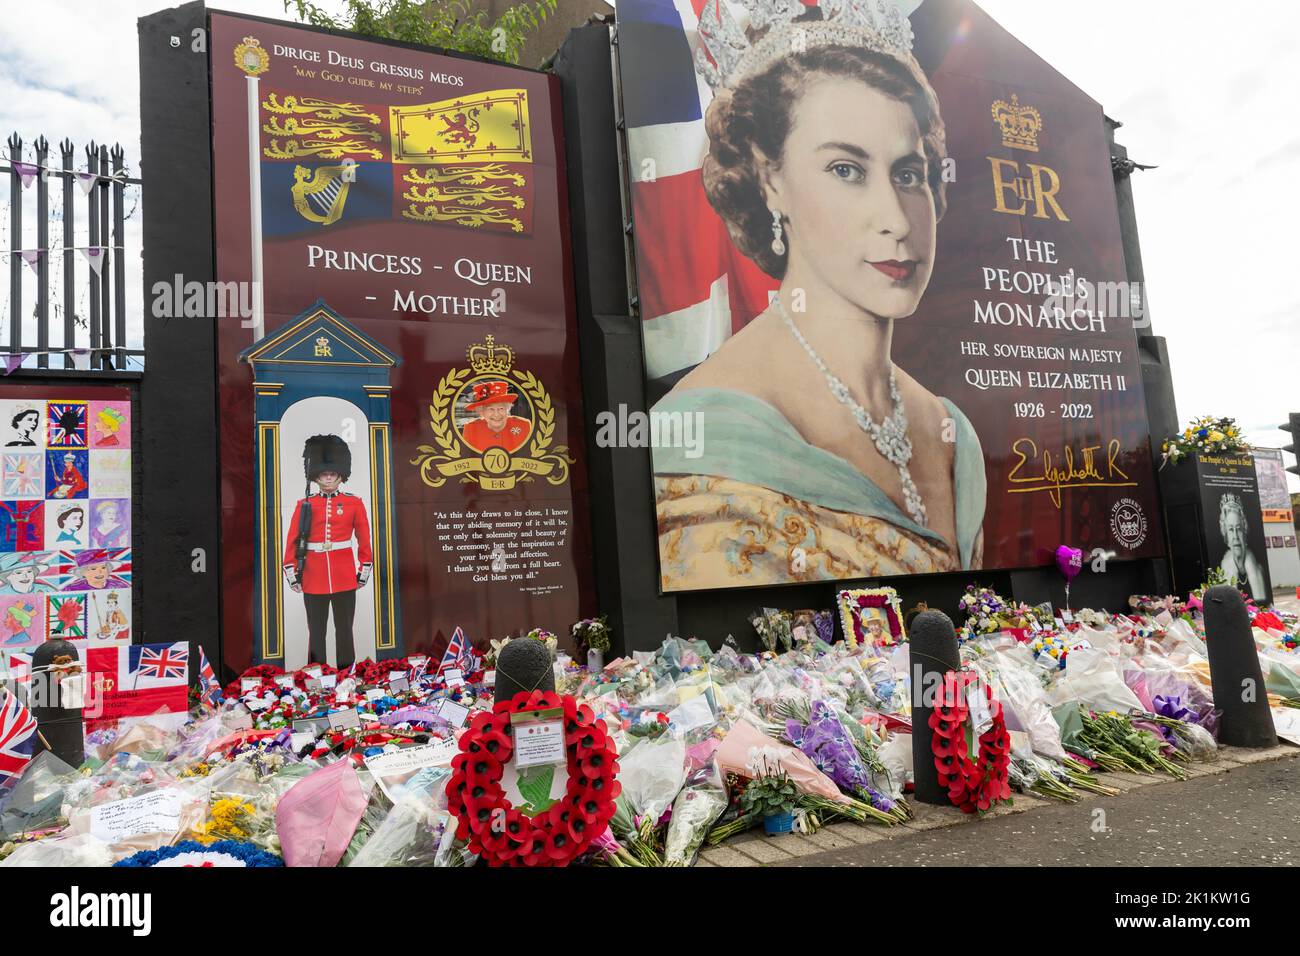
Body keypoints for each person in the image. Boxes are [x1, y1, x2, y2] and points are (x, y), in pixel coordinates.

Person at [652, 0, 985, 590]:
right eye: (846, 170)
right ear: (769, 177)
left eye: (908, 174)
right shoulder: (700, 432)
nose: (897, 220)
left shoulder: (950, 429)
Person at [283, 434, 371, 670]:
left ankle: (347, 673)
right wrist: (292, 572)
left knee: (344, 630)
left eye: (333, 473)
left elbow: (364, 540)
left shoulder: (354, 503)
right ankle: (317, 675)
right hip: (313, 576)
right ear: (316, 476)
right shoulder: (305, 504)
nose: (329, 477)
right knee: (316, 631)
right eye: (324, 474)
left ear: (341, 475)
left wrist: (364, 570)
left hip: (344, 576)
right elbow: (292, 540)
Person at [1218, 493, 1266, 601]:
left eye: (1238, 529)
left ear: (1244, 531)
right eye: (1230, 530)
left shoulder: (1257, 566)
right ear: (1226, 535)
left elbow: (1265, 605)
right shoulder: (1224, 568)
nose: (1235, 536)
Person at [461, 381, 532, 453]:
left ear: (507, 409)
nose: (496, 414)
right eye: (491, 409)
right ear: (481, 412)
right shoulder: (471, 429)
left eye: (501, 408)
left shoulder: (523, 425)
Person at [63, 549, 129, 591]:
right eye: (93, 569)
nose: (100, 572)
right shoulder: (71, 589)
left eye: (103, 567)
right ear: (82, 572)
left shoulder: (120, 585)